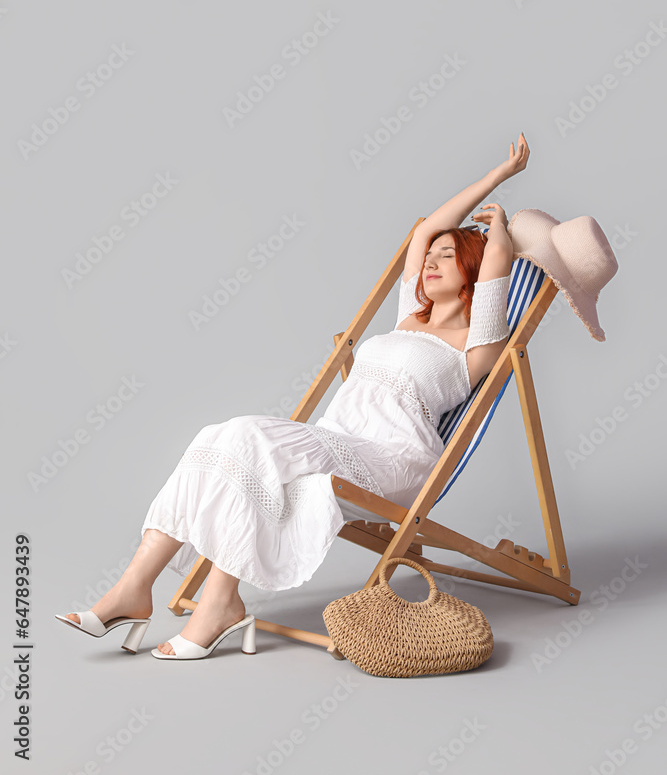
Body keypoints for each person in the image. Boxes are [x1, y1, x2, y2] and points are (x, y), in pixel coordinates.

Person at [56, 132, 529, 660]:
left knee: (247, 436)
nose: (432, 260)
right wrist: (491, 177)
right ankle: (142, 589)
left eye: (449, 255)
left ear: (473, 271)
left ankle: (209, 604)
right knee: (219, 438)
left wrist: (501, 228)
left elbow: (496, 272)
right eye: (432, 256)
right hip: (333, 439)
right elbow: (424, 230)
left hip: (393, 460)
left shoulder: (474, 347)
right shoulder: (405, 320)